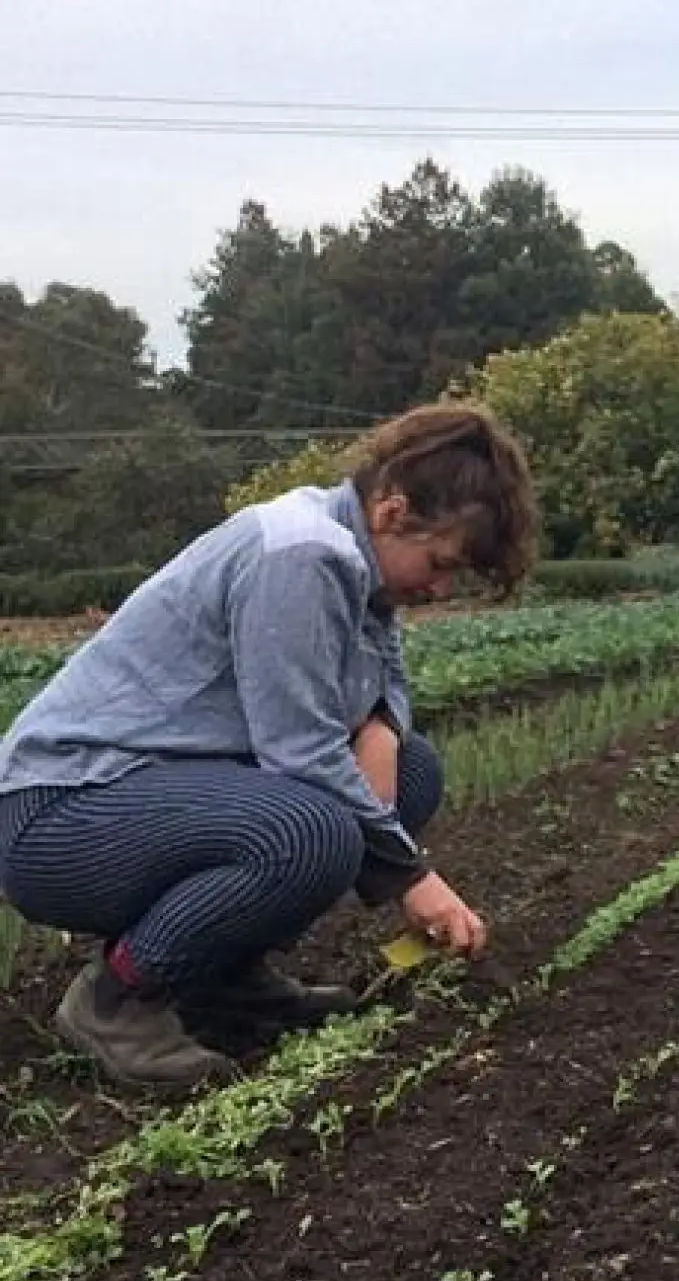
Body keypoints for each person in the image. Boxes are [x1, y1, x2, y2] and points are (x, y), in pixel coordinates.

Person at [0, 403, 539, 1090]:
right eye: (439, 563)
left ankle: (220, 979)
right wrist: (410, 879)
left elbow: (389, 681)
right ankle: (118, 999)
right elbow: (300, 752)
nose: (437, 587)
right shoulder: (302, 555)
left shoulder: (359, 567)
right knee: (308, 832)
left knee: (412, 773)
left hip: (151, 789)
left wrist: (379, 727)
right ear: (393, 511)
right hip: (62, 812)